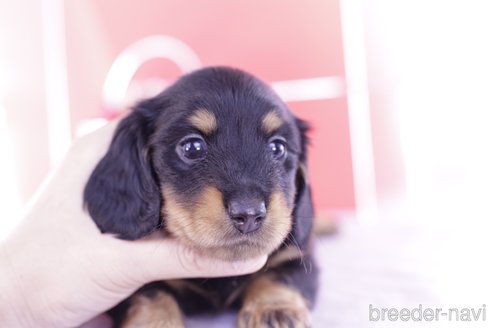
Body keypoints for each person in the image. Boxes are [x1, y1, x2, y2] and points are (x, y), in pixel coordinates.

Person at [0, 117, 267, 328]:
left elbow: (297, 267)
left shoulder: (279, 245)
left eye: (276, 148)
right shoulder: (136, 252)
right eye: (192, 148)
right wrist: (19, 297)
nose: (249, 210)